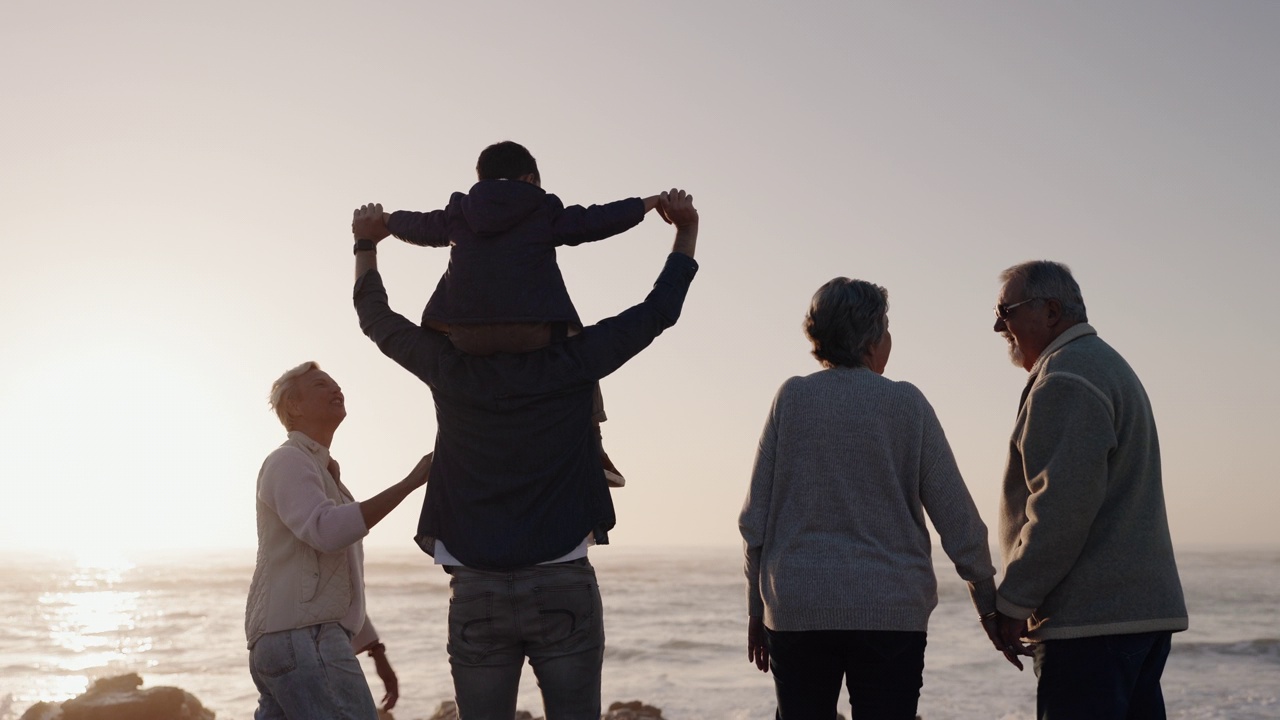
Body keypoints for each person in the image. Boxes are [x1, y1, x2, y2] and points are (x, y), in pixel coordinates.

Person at [350, 189, 699, 719]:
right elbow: (659, 311)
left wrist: (366, 245)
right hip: (562, 574)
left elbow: (375, 317)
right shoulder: (572, 361)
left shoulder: (448, 366)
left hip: (474, 582)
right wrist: (684, 232)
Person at [739, 278, 1002, 720]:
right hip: (890, 612)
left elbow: (754, 520)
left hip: (799, 606)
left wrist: (756, 609)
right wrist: (989, 606)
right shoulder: (908, 404)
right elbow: (958, 520)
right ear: (872, 337)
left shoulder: (793, 397)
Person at [366, 140, 670, 485]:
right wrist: (650, 203)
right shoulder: (541, 209)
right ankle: (594, 444)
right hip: (534, 330)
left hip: (465, 333)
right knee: (583, 357)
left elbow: (420, 227)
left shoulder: (460, 212)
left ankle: (470, 451)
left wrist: (384, 221)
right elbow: (595, 221)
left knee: (456, 377)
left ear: (481, 178)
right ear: (529, 179)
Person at [989, 260, 1187, 719]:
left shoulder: (1066, 378)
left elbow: (1059, 510)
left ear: (1052, 311)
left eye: (1007, 311)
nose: (999, 325)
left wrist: (1015, 601)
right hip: (1132, 614)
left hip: (1093, 622)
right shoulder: (1104, 364)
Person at [245, 361, 432, 719]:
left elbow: (335, 579)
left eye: (336, 384)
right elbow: (326, 531)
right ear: (294, 407)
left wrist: (374, 649)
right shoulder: (288, 460)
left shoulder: (321, 469)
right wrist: (410, 483)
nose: (336, 390)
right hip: (304, 639)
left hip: (290, 640)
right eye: (320, 385)